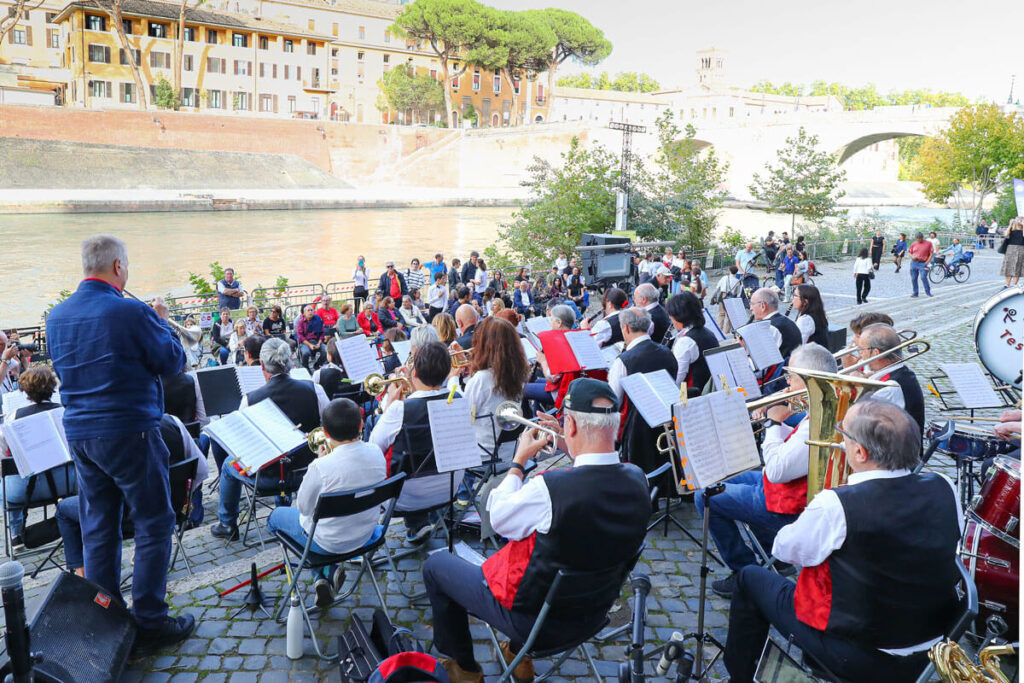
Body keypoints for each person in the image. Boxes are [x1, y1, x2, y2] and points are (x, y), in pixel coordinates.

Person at [422, 378, 650, 683]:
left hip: (531, 622)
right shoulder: (638, 479)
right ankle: (519, 658)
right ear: (614, 423)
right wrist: (572, 442)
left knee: (436, 566)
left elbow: (497, 516)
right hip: (592, 614)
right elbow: (595, 470)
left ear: (570, 425)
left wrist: (518, 461)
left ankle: (465, 668)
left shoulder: (550, 488)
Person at [724, 401, 963, 683]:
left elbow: (784, 550)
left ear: (860, 452)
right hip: (932, 645)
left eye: (843, 434)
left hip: (860, 652)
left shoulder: (836, 504)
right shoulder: (944, 485)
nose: (841, 440)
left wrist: (818, 511)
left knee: (750, 578)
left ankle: (738, 676)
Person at [46, 235, 195, 653]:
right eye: (126, 267)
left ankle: (108, 622)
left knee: (98, 527)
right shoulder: (131, 310)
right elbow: (172, 362)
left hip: (80, 433)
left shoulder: (56, 316)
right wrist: (160, 320)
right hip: (130, 430)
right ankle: (149, 620)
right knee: (154, 522)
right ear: (117, 267)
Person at [699, 344, 838, 599]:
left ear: (809, 379)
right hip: (793, 489)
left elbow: (776, 471)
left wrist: (772, 424)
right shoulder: (829, 404)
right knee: (725, 474)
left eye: (791, 378)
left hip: (792, 506)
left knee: (704, 495)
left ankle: (745, 573)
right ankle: (773, 555)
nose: (787, 385)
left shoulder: (820, 418)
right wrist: (779, 424)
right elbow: (798, 452)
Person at [55, 412, 209, 577]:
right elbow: (201, 470)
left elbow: (99, 494)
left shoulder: (103, 432)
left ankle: (82, 574)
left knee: (64, 509)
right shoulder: (172, 421)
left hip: (125, 518)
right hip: (172, 510)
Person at [267, 398, 387, 607]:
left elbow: (303, 508)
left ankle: (325, 572)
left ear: (326, 433)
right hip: (365, 536)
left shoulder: (320, 467)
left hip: (326, 543)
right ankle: (324, 574)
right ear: (360, 425)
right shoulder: (377, 452)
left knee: (275, 517)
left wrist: (319, 462)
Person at [211, 338, 329, 540]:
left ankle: (227, 523)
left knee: (228, 466)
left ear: (263, 366)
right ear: (291, 361)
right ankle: (283, 509)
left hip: (268, 478)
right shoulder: (314, 389)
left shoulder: (250, 399)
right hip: (308, 473)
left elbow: (242, 446)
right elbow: (328, 427)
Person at [368, 341, 452, 543]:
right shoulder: (458, 398)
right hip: (449, 487)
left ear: (414, 374)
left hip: (405, 498)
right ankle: (418, 523)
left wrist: (389, 404)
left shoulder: (400, 409)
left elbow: (372, 449)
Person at [0, 367, 77, 546]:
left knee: (6, 485)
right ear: (53, 388)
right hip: (67, 484)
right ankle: (73, 522)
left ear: (26, 390)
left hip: (23, 491)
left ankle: (16, 534)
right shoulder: (65, 413)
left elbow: (2, 458)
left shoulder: (11, 418)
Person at [609, 308, 677, 484]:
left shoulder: (623, 360)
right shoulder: (667, 352)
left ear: (625, 328)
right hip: (667, 422)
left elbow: (613, 401)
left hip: (637, 429)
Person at [464, 317, 530, 462]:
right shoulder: (519, 374)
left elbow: (465, 418)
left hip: (483, 454)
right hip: (510, 452)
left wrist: (452, 382)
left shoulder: (481, 379)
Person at [852, 324, 925, 434]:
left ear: (876, 353)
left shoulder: (891, 387)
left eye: (862, 349)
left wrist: (852, 385)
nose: (860, 355)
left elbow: (856, 422)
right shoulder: (899, 373)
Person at [666, 292, 719, 391]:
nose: (670, 318)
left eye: (671, 315)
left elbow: (677, 379)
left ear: (679, 316)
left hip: (694, 396)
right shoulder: (709, 333)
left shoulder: (685, 342)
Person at [749, 289, 801, 359]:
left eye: (752, 304)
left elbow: (761, 360)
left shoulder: (769, 328)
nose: (750, 308)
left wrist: (746, 348)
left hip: (780, 368)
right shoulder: (789, 322)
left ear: (763, 306)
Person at [713, 265, 742, 335]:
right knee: (729, 315)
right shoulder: (737, 281)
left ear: (729, 271)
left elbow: (718, 286)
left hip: (723, 295)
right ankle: (727, 331)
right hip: (731, 297)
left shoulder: (724, 278)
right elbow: (738, 292)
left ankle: (719, 329)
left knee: (721, 313)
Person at [296, 304, 325, 372]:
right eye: (308, 310)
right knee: (306, 353)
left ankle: (318, 364)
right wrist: (309, 345)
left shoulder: (318, 321)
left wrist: (319, 343)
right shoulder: (301, 323)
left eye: (311, 310)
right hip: (305, 343)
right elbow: (300, 337)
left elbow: (322, 334)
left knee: (326, 350)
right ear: (304, 314)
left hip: (317, 341)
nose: (310, 312)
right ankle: (306, 368)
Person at [908, 232, 934, 298]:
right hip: (914, 262)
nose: (919, 240)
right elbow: (910, 252)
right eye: (917, 239)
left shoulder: (928, 244)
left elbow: (931, 254)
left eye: (920, 238)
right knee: (913, 278)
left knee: (923, 277)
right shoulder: (913, 244)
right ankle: (915, 292)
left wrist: (927, 263)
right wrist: (912, 257)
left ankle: (928, 292)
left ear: (922, 237)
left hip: (923, 263)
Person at [1000, 217, 1024, 287]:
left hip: (1021, 249)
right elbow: (1006, 234)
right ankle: (1007, 285)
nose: (1018, 221)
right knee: (1009, 266)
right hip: (1011, 249)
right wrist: (1010, 224)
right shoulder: (1012, 230)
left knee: (1018, 267)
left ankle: (1014, 285)